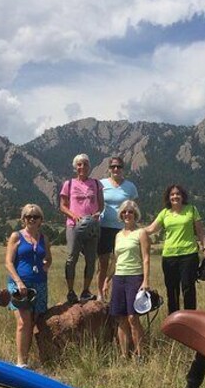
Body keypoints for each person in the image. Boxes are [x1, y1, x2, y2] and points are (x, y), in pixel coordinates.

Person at [145, 184, 205, 314]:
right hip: (169, 257)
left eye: (177, 194)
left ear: (182, 196)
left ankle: (190, 319)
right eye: (172, 194)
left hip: (189, 255)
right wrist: (134, 232)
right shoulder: (164, 213)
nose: (175, 196)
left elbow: (200, 230)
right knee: (172, 289)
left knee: (188, 288)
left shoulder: (191, 210)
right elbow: (151, 229)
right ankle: (174, 321)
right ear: (168, 197)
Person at [4, 204, 52, 368]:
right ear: (23, 219)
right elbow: (8, 262)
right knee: (23, 322)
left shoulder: (43, 238)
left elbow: (48, 258)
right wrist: (18, 281)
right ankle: (21, 362)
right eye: (28, 216)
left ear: (41, 220)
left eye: (35, 216)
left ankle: (29, 356)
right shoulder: (16, 236)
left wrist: (45, 267)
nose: (32, 219)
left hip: (39, 283)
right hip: (19, 284)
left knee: (34, 322)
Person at [59, 153, 104, 304]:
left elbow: (101, 204)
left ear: (89, 166)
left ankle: (85, 291)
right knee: (72, 258)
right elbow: (62, 206)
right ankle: (70, 292)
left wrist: (97, 213)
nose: (82, 167)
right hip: (73, 226)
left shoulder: (96, 184)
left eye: (85, 164)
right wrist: (73, 216)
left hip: (92, 226)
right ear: (75, 167)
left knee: (91, 259)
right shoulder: (69, 184)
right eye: (79, 164)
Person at [107, 200, 150, 358]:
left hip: (134, 277)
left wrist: (145, 281)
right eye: (124, 212)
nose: (127, 214)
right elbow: (115, 259)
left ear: (135, 214)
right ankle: (124, 355)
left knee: (133, 317)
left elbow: (146, 258)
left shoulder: (141, 233)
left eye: (130, 212)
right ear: (121, 214)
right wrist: (107, 280)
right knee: (121, 318)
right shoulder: (118, 235)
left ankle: (141, 354)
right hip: (119, 277)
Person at [97, 156, 138, 301]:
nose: (116, 169)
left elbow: (133, 208)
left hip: (122, 230)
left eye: (119, 167)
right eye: (113, 166)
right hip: (104, 227)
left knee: (119, 263)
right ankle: (100, 295)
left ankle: (116, 292)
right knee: (103, 263)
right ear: (109, 168)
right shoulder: (101, 184)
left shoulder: (130, 187)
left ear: (123, 169)